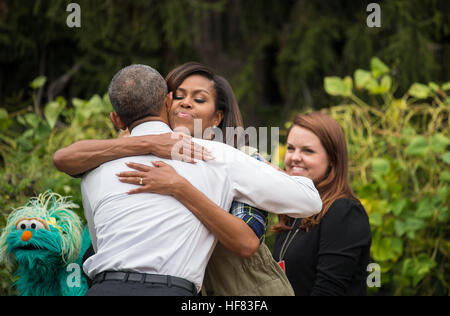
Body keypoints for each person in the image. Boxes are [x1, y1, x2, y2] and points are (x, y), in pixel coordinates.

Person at [62, 64, 321, 296]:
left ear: (217, 118)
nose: (186, 103)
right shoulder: (115, 157)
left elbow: (246, 242)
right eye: (179, 96)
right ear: (165, 104)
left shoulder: (232, 159)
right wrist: (147, 142)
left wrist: (178, 187)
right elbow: (64, 158)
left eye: (199, 99)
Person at [272, 112, 372, 296]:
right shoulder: (293, 213)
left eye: (307, 151)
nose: (295, 157)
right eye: (291, 148)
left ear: (332, 159)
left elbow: (328, 291)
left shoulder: (344, 212)